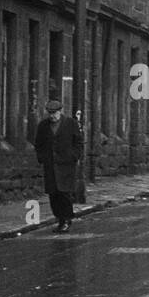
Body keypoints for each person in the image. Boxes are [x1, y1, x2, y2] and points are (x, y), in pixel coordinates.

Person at [34, 100, 84, 233]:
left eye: (54, 113)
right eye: (49, 113)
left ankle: (66, 219)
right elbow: (38, 144)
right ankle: (60, 219)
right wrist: (42, 158)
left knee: (65, 193)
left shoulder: (70, 123)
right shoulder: (43, 126)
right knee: (53, 194)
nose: (52, 116)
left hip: (66, 165)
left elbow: (78, 142)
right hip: (50, 165)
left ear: (60, 111)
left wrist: (74, 156)